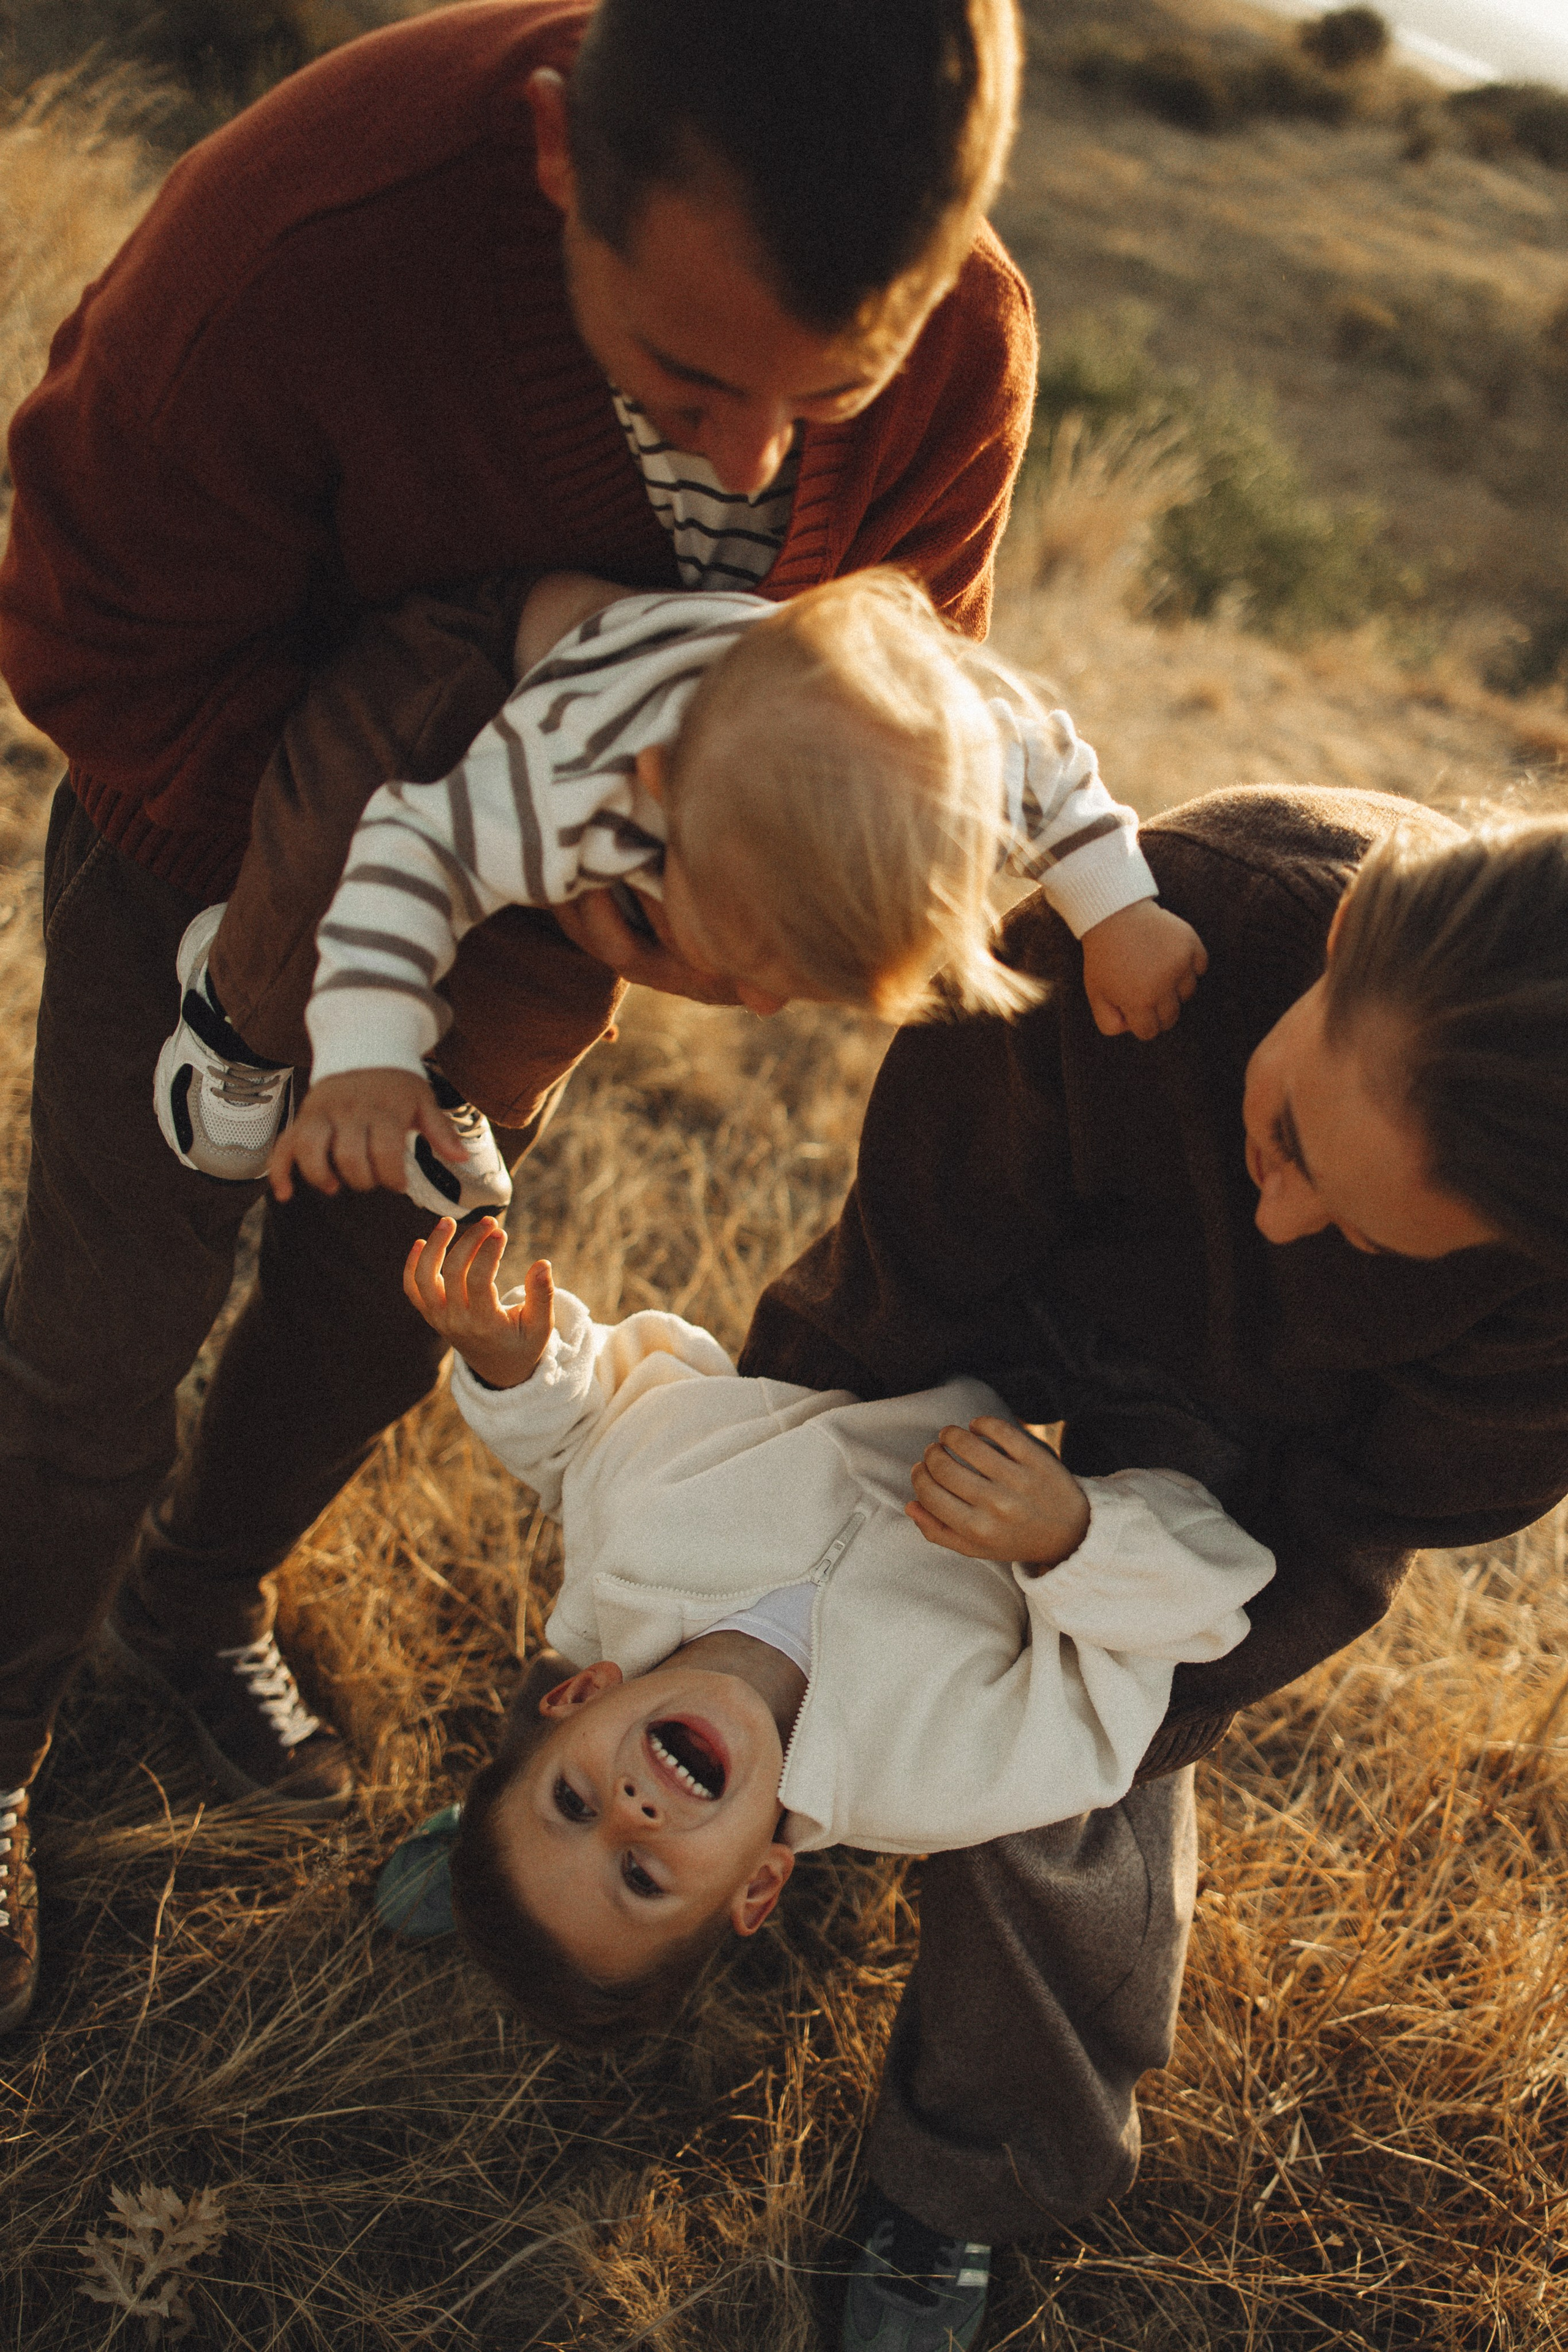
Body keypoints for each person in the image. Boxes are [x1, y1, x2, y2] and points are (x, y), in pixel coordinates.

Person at [0, 0, 1035, 2037]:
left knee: (379, 1306)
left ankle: (192, 1612)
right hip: (203, 862)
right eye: (686, 378)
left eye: (828, 392)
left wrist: (669, 886)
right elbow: (82, 628)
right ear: (566, 161)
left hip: (556, 936)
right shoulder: (308, 237)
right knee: (101, 1336)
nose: (755, 461)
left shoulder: (971, 352)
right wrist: (365, 896)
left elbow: (898, 690)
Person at [731, 783, 1568, 2349]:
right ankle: (629, 1801)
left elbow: (1333, 1537)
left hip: (1261, 1436)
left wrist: (1099, 1694)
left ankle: (968, 2173)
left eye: (1372, 1243)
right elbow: (907, 1250)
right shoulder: (1164, 907)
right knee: (779, 1496)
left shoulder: (1547, 1292)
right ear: (1328, 952)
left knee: (1071, 1767)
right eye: (1286, 1133)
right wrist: (798, 1482)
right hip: (1017, 1246)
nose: (1278, 1209)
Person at [382, 1212, 1273, 2045]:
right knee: (1215, 1313)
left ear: (578, 1692)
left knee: (940, 1149)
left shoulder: (627, 1558)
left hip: (914, 1306)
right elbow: (1190, 1624)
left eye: (573, 1803)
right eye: (642, 1878)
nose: (631, 1812)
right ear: (761, 1883)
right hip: (1144, 1401)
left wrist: (517, 1373)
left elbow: (589, 1440)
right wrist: (1073, 1538)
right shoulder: (947, 1774)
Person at [255, 565, 1204, 1202]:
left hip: (749, 683)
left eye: (788, 989)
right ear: (661, 797)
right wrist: (364, 1060)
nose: (756, 1005)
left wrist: (1119, 906)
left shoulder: (965, 765)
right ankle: (241, 1010)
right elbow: (407, 857)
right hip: (521, 637)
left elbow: (1046, 761)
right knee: (482, 934)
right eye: (757, 965)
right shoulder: (566, 783)